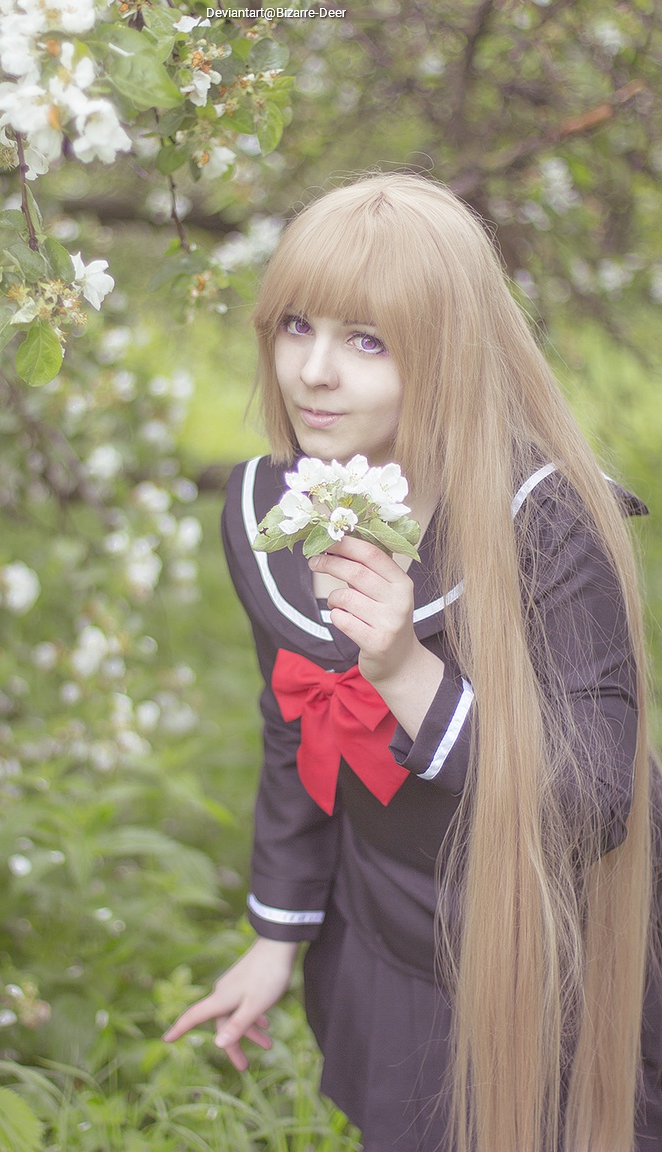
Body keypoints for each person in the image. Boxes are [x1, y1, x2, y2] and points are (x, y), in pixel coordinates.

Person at [163, 173, 662, 1152]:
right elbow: (296, 725)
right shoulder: (270, 506)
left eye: (366, 340)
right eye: (295, 326)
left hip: (552, 940)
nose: (312, 373)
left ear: (448, 354)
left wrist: (404, 670)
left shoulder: (547, 521)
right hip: (390, 923)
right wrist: (277, 933)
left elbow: (598, 804)